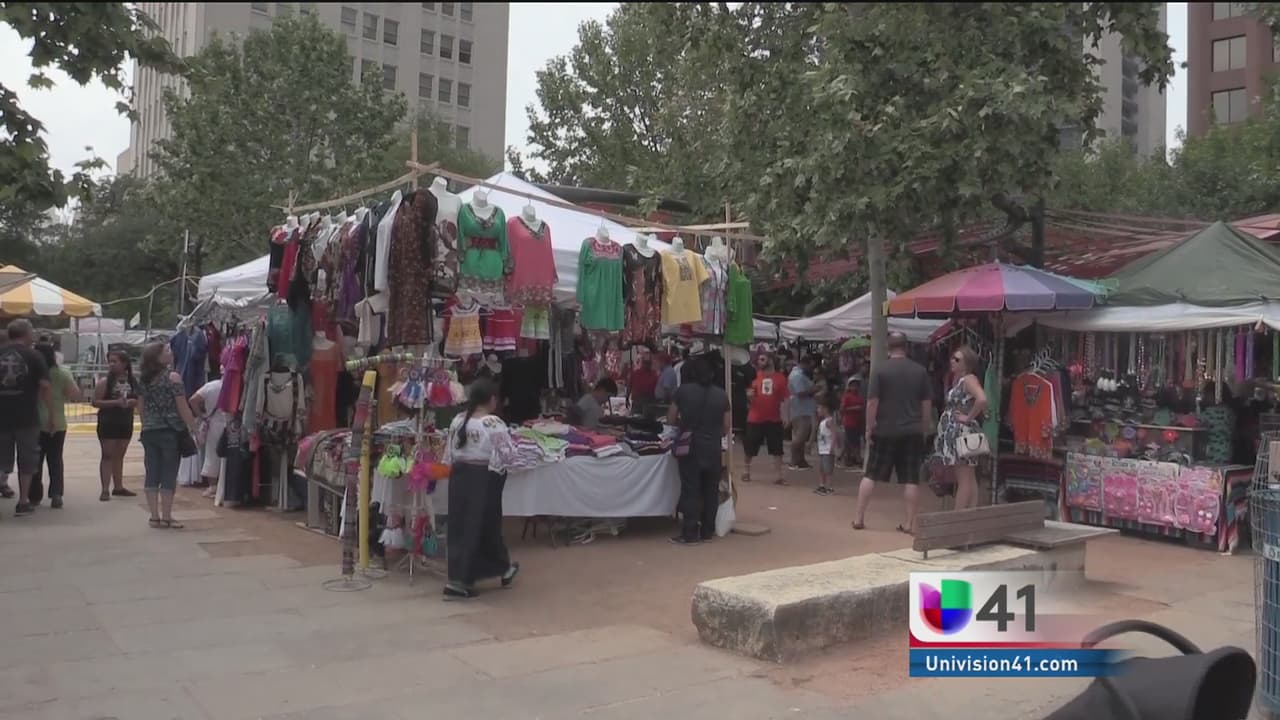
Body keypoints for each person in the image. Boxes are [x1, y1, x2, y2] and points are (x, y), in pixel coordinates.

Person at [443, 379, 520, 599]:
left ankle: (489, 570)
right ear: (492, 399)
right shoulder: (492, 422)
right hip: (483, 478)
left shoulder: (458, 420)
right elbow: (508, 454)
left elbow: (449, 453)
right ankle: (463, 581)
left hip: (459, 477)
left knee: (461, 525)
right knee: (482, 525)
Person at [854, 332, 932, 533]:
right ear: (906, 347)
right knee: (911, 478)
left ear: (889, 347)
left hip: (885, 430)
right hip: (912, 430)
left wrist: (869, 428)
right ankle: (910, 523)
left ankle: (859, 518)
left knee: (871, 474)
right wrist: (924, 428)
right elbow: (926, 404)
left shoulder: (880, 371)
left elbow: (872, 403)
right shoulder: (920, 371)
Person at [667, 356, 731, 545]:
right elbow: (726, 426)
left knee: (691, 490)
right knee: (710, 490)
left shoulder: (683, 392)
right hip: (713, 448)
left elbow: (671, 418)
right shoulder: (722, 395)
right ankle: (707, 532)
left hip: (691, 446)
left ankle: (689, 533)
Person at [137, 341, 198, 529]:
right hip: (171, 431)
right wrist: (194, 427)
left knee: (152, 471)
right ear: (158, 357)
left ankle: (154, 516)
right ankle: (167, 516)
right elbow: (182, 407)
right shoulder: (173, 378)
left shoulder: (143, 380)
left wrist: (147, 423)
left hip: (149, 431)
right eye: (167, 350)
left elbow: (140, 407)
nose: (171, 352)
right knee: (169, 473)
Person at [0, 320, 53, 516]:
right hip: (27, 417)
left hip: (1, 416)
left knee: (1, 460)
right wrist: (51, 414)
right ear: (26, 333)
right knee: (28, 460)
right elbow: (46, 386)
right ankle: (23, 501)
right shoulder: (34, 355)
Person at [935, 346, 989, 510]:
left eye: (957, 359)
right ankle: (968, 515)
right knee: (969, 477)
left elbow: (982, 399)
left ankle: (958, 517)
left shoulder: (968, 380)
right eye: (953, 358)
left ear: (967, 363)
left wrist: (968, 417)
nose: (952, 361)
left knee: (964, 478)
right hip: (962, 431)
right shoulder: (962, 379)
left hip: (961, 432)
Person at [29, 341, 80, 508]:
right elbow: (74, 394)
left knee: (35, 460)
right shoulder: (63, 372)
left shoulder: (32, 374)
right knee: (56, 458)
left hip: (34, 421)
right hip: (57, 421)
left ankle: (34, 494)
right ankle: (56, 493)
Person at [93, 349, 139, 502]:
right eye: (110, 361)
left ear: (125, 363)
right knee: (107, 455)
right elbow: (96, 402)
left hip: (125, 421)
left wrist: (133, 403)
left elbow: (139, 398)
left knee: (119, 455)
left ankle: (118, 486)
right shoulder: (105, 382)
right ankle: (104, 488)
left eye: (115, 361)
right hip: (108, 422)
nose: (112, 364)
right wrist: (115, 403)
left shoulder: (132, 381)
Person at [743, 354, 789, 485]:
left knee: (777, 448)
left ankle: (779, 475)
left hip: (774, 418)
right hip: (755, 417)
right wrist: (749, 396)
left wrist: (786, 415)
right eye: (759, 360)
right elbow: (749, 398)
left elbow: (785, 398)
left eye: (762, 359)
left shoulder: (780, 378)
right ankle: (746, 471)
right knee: (750, 446)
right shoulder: (755, 377)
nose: (760, 362)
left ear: (771, 360)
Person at [188, 377, 226, 499]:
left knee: (212, 454)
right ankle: (225, 484)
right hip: (229, 423)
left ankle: (213, 486)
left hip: (213, 423)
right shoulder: (235, 385)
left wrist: (202, 415)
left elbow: (193, 400)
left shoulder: (211, 386)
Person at [787, 356, 817, 470]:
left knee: (801, 436)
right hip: (800, 409)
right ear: (805, 364)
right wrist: (814, 389)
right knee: (799, 436)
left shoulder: (799, 374)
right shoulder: (797, 376)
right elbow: (800, 392)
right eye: (810, 365)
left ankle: (800, 459)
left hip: (802, 409)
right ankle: (794, 460)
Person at [840, 376, 866, 467]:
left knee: (854, 441)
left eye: (856, 386)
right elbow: (842, 409)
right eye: (853, 386)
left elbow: (862, 408)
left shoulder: (859, 397)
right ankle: (856, 458)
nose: (855, 388)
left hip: (857, 421)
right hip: (849, 421)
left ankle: (849, 458)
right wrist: (854, 408)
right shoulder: (847, 396)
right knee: (851, 441)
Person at [815, 402, 839, 495]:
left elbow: (834, 435)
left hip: (828, 449)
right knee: (821, 469)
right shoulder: (822, 422)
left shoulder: (830, 421)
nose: (817, 410)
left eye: (819, 408)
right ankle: (822, 485)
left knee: (828, 469)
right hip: (822, 449)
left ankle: (829, 487)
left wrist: (832, 447)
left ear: (825, 409)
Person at [627, 348, 658, 417]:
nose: (647, 365)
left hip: (648, 401)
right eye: (645, 363)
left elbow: (656, 388)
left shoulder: (654, 374)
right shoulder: (635, 373)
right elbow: (629, 385)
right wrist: (627, 397)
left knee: (646, 419)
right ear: (642, 363)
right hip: (637, 400)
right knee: (634, 418)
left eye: (649, 363)